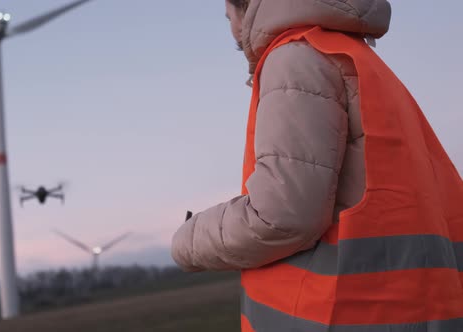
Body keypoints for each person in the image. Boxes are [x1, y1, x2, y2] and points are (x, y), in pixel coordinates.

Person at [171, 0, 463, 331]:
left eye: (228, 15)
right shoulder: (353, 56)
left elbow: (280, 216)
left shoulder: (295, 58)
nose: (232, 30)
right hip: (404, 309)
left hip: (348, 315)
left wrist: (186, 241)